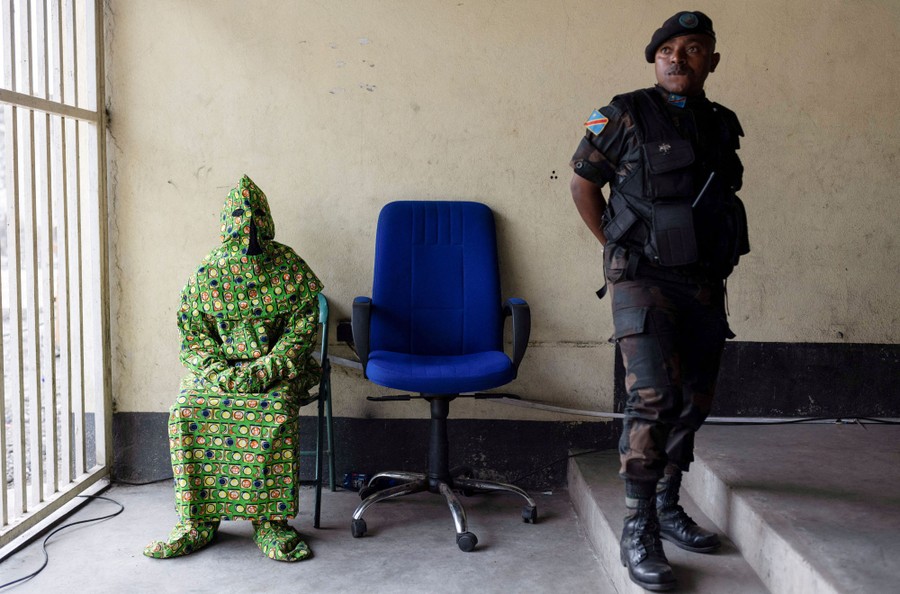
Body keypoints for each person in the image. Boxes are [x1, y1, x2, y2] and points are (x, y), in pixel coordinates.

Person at [569, 11, 749, 592]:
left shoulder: (720, 123)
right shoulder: (623, 112)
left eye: (692, 48)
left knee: (693, 398)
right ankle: (638, 525)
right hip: (641, 276)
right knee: (652, 395)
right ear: (654, 59)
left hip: (703, 280)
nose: (677, 58)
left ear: (711, 61)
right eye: (667, 49)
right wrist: (614, 247)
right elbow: (582, 183)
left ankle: (669, 505)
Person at [144, 175, 323, 562]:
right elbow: (193, 333)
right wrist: (219, 373)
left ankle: (271, 521)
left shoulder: (289, 267)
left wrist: (266, 369)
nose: (250, 228)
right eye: (241, 217)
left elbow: (303, 328)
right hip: (217, 372)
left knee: (275, 412)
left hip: (277, 369)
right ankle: (197, 520)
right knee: (186, 412)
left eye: (256, 216)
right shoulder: (208, 271)